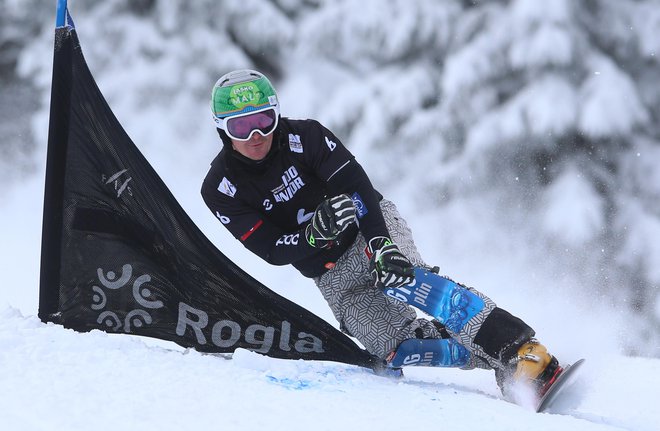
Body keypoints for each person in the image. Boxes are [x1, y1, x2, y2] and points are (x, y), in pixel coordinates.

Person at [201, 69, 563, 401]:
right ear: (222, 129)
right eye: (241, 126)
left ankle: (523, 353)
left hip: (367, 229)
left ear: (276, 114)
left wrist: (380, 244)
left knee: (405, 280)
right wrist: (311, 237)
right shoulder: (220, 188)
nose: (256, 135)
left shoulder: (306, 136)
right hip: (331, 276)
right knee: (393, 348)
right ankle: (501, 366)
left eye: (264, 120)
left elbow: (357, 187)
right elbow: (271, 250)